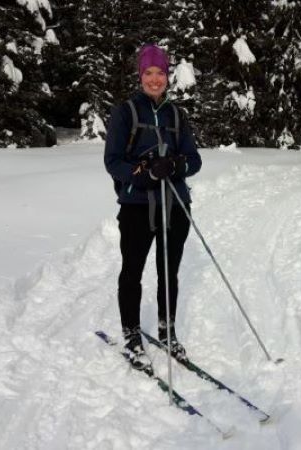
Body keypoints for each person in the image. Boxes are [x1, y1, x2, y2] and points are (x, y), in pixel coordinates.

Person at [104, 44, 202, 369]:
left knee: (168, 272)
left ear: (167, 75)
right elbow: (113, 161)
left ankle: (167, 329)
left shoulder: (176, 115)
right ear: (140, 76)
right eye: (149, 73)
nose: (155, 79)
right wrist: (144, 172)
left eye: (160, 72)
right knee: (132, 271)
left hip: (175, 206)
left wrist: (174, 166)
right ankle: (131, 334)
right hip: (136, 206)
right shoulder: (126, 112)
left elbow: (194, 160)